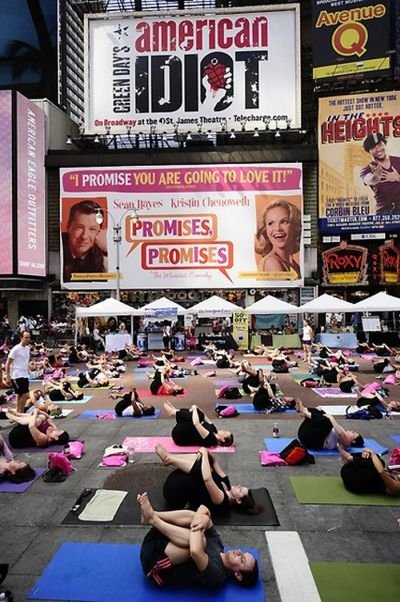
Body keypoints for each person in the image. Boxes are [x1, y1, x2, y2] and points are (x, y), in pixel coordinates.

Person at [138, 492, 259, 589]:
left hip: (153, 563)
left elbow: (195, 551)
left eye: (241, 559)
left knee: (199, 540)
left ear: (238, 574)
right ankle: (153, 515)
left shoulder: (218, 576)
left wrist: (201, 521)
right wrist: (202, 519)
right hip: (158, 537)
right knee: (195, 518)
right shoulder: (218, 545)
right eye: (242, 552)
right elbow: (204, 508)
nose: (238, 552)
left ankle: (153, 520)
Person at [155, 445, 263, 515]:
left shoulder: (222, 501)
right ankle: (169, 457)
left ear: (238, 500)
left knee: (201, 468)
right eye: (241, 486)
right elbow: (214, 462)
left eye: (240, 490)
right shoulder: (227, 484)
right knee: (202, 460)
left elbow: (207, 479)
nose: (238, 486)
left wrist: (204, 455)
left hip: (174, 494)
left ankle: (169, 459)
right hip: (179, 480)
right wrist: (206, 452)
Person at [62, 200, 107, 282]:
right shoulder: (57, 248)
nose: (84, 236)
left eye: (92, 229)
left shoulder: (103, 254)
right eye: (79, 227)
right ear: (68, 226)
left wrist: (108, 250)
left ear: (99, 232)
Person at [254, 199, 301, 278]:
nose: (277, 228)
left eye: (284, 222)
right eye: (271, 223)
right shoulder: (271, 262)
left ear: (294, 226)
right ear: (265, 230)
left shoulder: (294, 264)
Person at [296, 401, 364, 450]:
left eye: (354, 433)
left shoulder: (347, 444)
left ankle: (306, 413)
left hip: (312, 441)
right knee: (321, 412)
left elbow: (340, 434)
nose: (352, 431)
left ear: (353, 441)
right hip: (305, 434)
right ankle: (305, 411)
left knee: (328, 421)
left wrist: (331, 418)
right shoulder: (343, 433)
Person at [360, 132, 400, 215]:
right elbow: (370, 179)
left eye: (379, 145)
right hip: (384, 212)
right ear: (369, 151)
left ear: (384, 144)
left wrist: (397, 178)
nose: (378, 149)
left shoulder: (398, 161)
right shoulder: (366, 170)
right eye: (373, 147)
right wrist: (376, 176)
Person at [164, 401, 234, 448]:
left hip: (179, 436)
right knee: (200, 415)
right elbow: (205, 417)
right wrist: (197, 408)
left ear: (223, 440)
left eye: (224, 432)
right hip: (185, 429)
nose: (223, 430)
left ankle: (173, 412)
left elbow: (196, 423)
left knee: (195, 418)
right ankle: (175, 411)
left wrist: (194, 410)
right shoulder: (215, 431)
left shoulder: (211, 439)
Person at [4, 331, 31, 413]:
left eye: (29, 337)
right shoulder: (15, 349)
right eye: (26, 337)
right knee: (25, 394)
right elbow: (8, 363)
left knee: (20, 394)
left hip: (24, 374)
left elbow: (25, 361)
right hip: (16, 375)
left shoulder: (27, 349)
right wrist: (8, 376)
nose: (28, 339)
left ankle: (17, 412)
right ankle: (21, 412)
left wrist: (28, 370)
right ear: (21, 338)